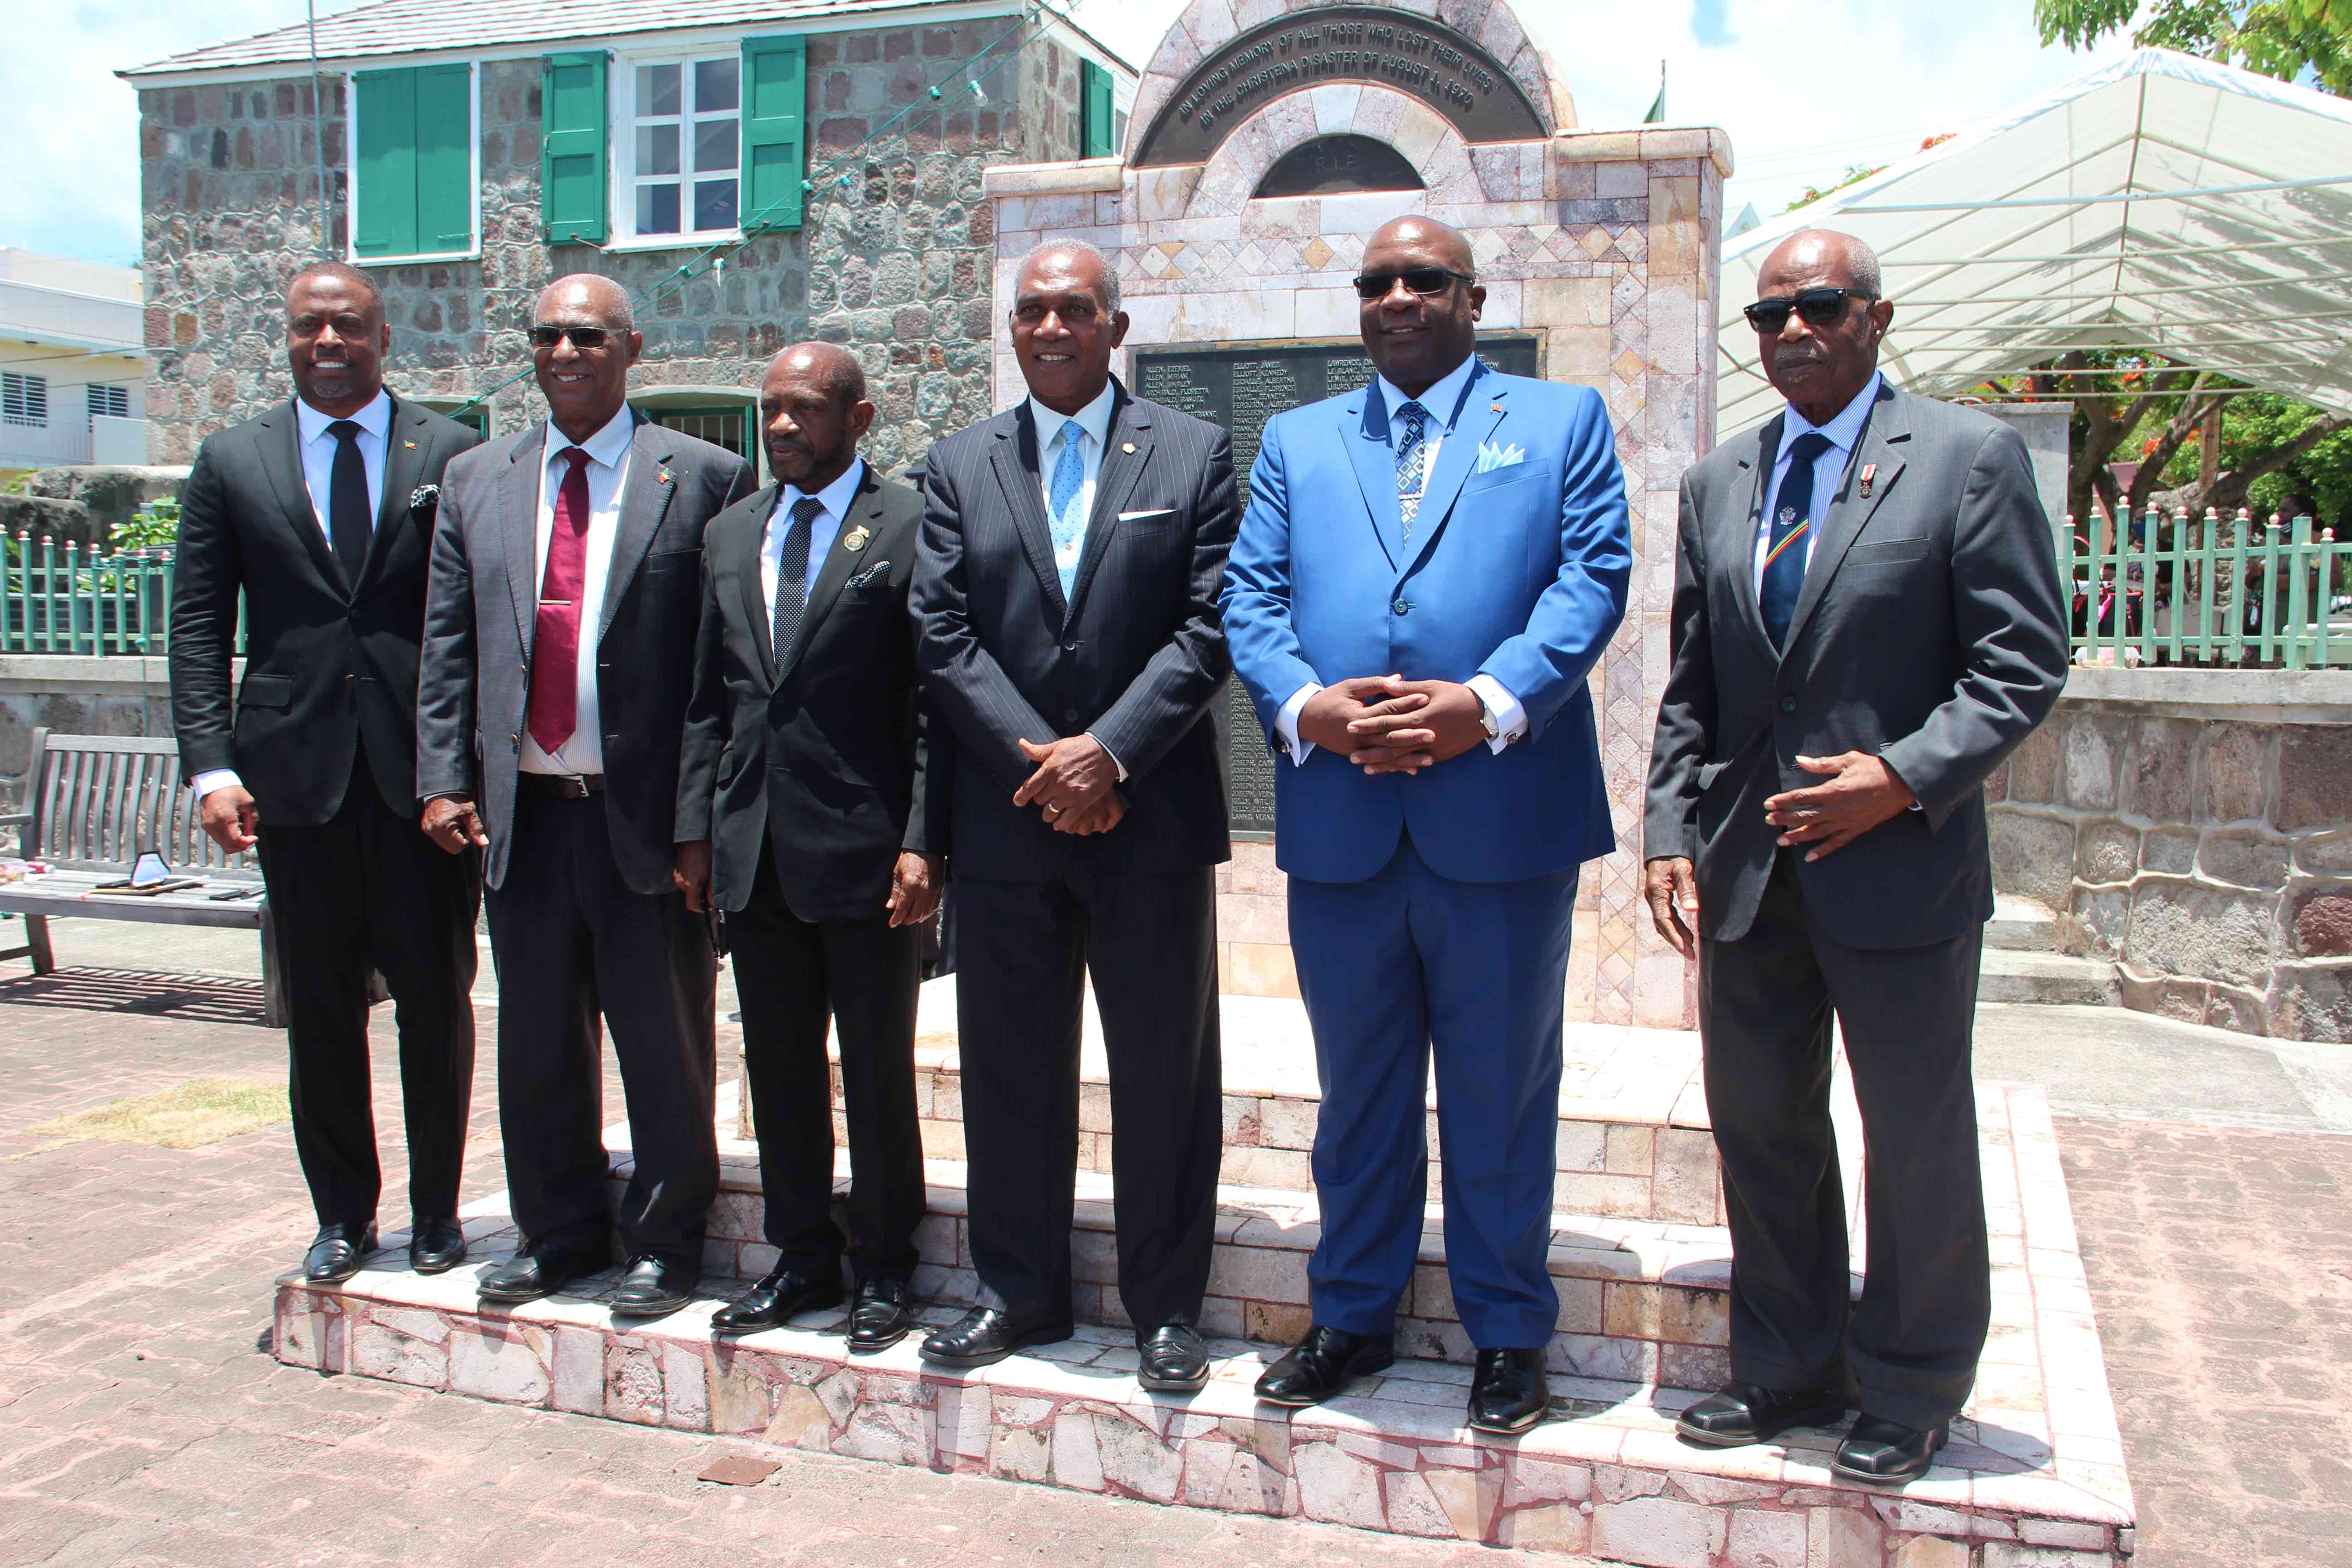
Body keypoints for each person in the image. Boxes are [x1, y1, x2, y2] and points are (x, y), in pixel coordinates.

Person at [1644, 229, 2068, 1483]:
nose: (1789, 330)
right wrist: (1671, 832)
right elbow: (1694, 687)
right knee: (1762, 1125)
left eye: (1817, 306)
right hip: (1748, 874)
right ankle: (1788, 1368)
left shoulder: (1965, 457)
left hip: (1901, 871)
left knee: (1914, 1134)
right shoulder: (1722, 481)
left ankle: (1913, 1384)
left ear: (1876, 319)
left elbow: (2023, 664)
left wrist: (1900, 778)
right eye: (1768, 314)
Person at [1220, 216, 1630, 1434]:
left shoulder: (1560, 423)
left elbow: (1591, 577)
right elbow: (1252, 594)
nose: (1399, 297)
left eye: (1425, 280)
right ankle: (1352, 1316)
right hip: (1344, 823)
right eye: (1378, 283)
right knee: (1359, 1096)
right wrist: (1308, 706)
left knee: (1502, 1091)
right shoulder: (1297, 442)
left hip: (1500, 821)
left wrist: (1485, 704)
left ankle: (1508, 1335)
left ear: (1471, 296)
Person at [909, 239, 1238, 1392]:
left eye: (1074, 310)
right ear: (1015, 331)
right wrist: (1045, 765)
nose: (1051, 328)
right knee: (1009, 1071)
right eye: (1032, 311)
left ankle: (1165, 1311)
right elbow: (942, 636)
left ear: (1115, 325)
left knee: (1162, 1071)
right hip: (1007, 827)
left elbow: (1211, 627)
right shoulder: (957, 465)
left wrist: (1111, 754)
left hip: (1148, 823)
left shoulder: (1194, 453)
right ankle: (1019, 1294)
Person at [416, 274, 755, 1316]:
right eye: (548, 335)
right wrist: (442, 780)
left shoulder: (704, 478)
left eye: (588, 335)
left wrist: (701, 822)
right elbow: (448, 645)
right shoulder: (479, 479)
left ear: (632, 348)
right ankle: (556, 1229)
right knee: (537, 1041)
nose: (565, 351)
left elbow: (725, 668)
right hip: (523, 814)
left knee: (665, 1039)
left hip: (645, 820)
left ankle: (664, 1239)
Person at [168, 262, 483, 1285]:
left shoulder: (450, 452)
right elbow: (199, 626)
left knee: (437, 1002)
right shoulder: (231, 460)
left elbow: (475, 624)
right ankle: (344, 1214)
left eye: (349, 325)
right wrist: (209, 767)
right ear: (290, 338)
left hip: (422, 787)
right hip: (292, 788)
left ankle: (437, 1214)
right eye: (310, 327)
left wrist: (461, 767)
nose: (329, 342)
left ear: (385, 336)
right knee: (322, 1012)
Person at [674, 343, 947, 1352]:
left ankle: (885, 1265)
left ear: (859, 418)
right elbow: (711, 698)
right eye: (772, 410)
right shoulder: (732, 530)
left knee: (876, 1071)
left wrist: (924, 843)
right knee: (779, 1066)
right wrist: (695, 831)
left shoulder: (912, 524)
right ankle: (802, 1258)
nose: (784, 427)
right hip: (754, 852)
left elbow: (931, 704)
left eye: (807, 411)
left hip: (868, 857)